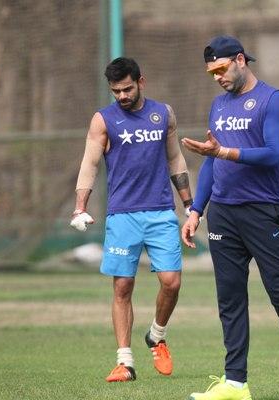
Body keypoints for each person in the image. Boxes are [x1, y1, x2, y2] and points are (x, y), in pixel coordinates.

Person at [180, 35, 279, 400]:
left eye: (221, 68)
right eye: (212, 72)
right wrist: (195, 211)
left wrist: (224, 151)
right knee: (230, 298)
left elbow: (271, 153)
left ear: (240, 60)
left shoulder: (274, 100)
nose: (218, 77)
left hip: (262, 212)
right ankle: (235, 383)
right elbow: (210, 162)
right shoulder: (218, 105)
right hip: (222, 215)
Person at [70, 57, 193, 382]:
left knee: (172, 281)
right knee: (122, 286)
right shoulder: (103, 120)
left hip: (161, 212)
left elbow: (174, 158)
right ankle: (124, 361)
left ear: (141, 81)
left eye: (127, 89)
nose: (122, 96)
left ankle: (156, 335)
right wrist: (79, 205)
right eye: (116, 91)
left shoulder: (162, 114)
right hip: (122, 215)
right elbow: (90, 162)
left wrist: (189, 206)